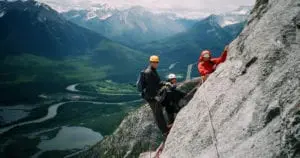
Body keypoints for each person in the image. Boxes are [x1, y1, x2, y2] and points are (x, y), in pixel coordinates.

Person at [142, 55, 169, 136]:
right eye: (154, 62)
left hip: (153, 96)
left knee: (159, 113)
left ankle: (165, 128)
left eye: (157, 62)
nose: (156, 63)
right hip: (151, 97)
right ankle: (164, 132)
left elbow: (157, 82)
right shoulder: (149, 72)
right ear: (150, 62)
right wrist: (156, 96)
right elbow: (152, 86)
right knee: (158, 115)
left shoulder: (153, 70)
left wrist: (164, 83)